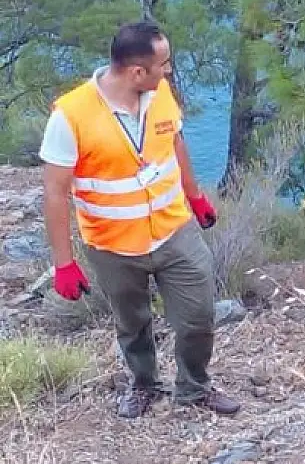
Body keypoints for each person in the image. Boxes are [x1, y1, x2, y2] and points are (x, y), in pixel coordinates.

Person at [39, 21, 240, 419]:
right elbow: (54, 193)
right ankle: (145, 384)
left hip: (174, 230)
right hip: (112, 244)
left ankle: (194, 389)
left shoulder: (160, 92)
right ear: (136, 72)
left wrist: (195, 195)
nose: (168, 70)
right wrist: (64, 263)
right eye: (163, 64)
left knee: (199, 316)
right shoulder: (71, 115)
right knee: (132, 325)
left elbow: (175, 141)